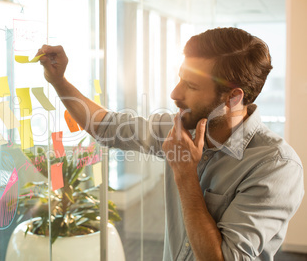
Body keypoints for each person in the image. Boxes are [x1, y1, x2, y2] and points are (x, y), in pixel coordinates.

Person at [36, 27, 304, 260]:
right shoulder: (177, 128)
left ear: (233, 97)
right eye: (179, 78)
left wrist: (186, 174)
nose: (175, 93)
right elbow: (104, 126)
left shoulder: (276, 167)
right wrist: (59, 82)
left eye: (191, 85)